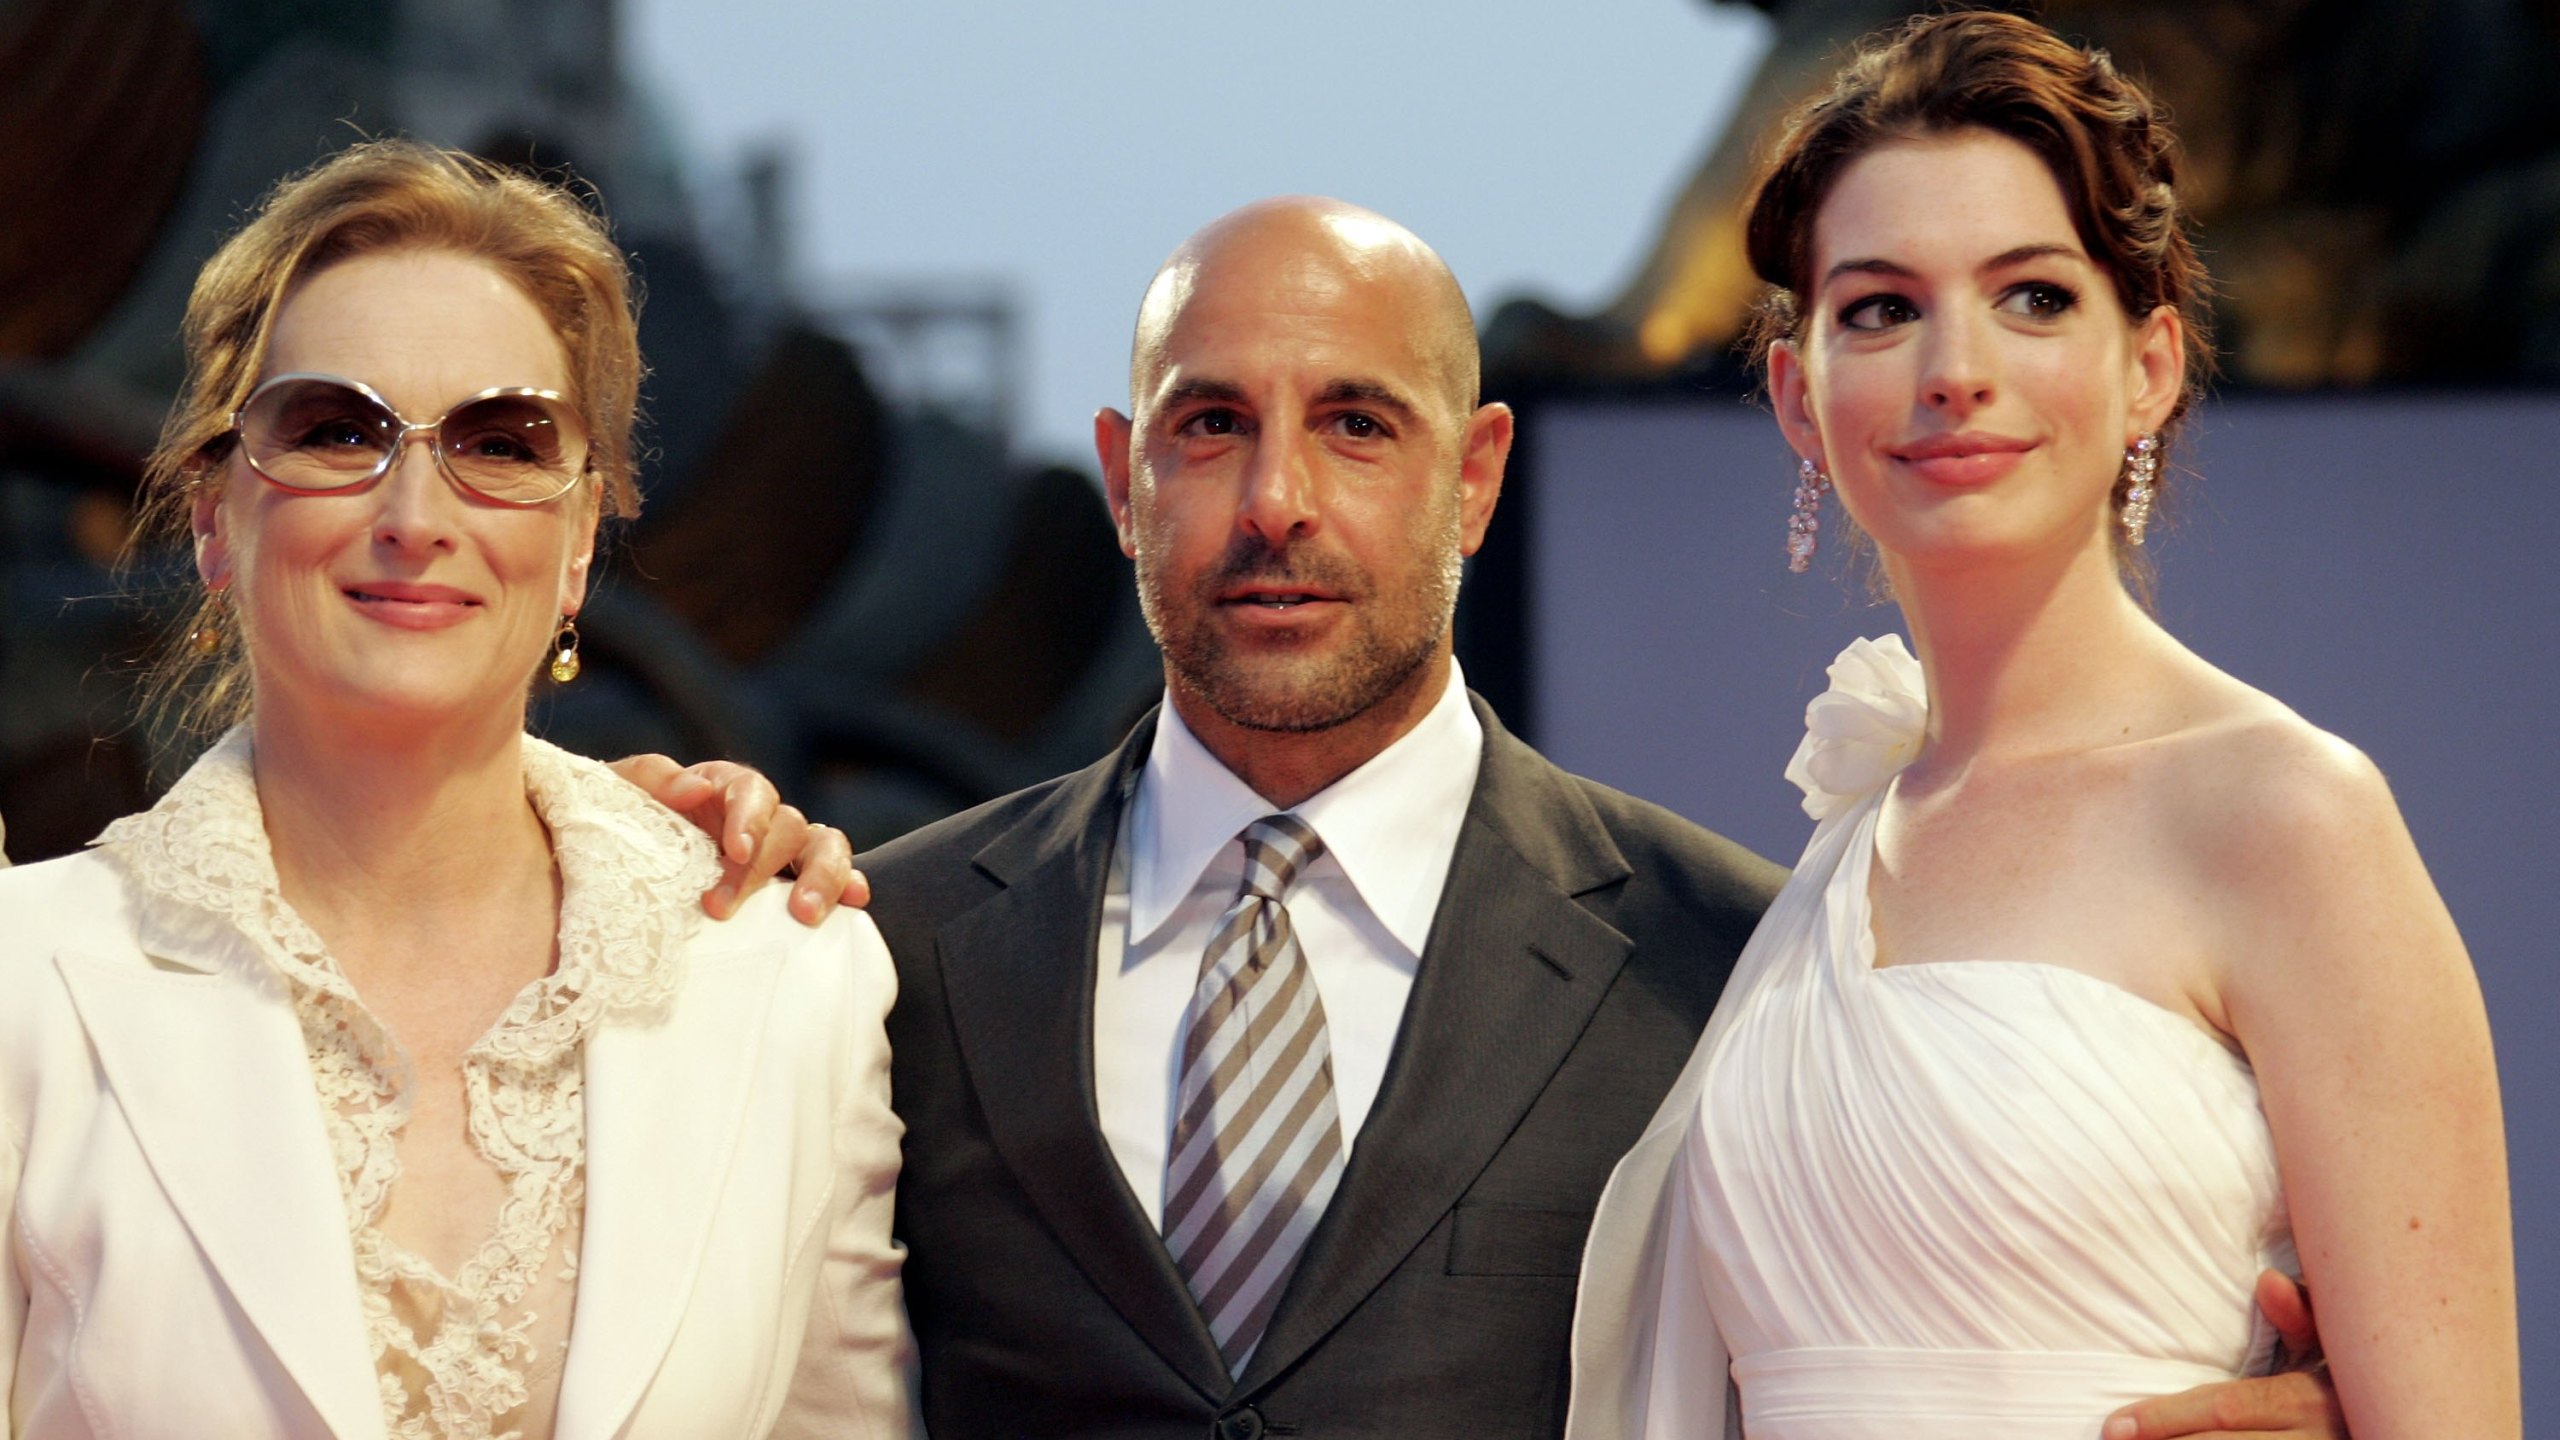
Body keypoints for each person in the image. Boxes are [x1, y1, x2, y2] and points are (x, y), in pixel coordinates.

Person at [858, 195, 2342, 1439]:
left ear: (1476, 478)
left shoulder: (1732, 963)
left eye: (1358, 424)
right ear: (1124, 482)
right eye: (1211, 426)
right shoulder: (886, 946)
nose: (1277, 500)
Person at [1567, 13, 2517, 1440]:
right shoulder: (1841, 850)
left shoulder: (2287, 814)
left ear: (2151, 367)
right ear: (1797, 397)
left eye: (2032, 297)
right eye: (1880, 310)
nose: (1955, 367)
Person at [0, 141, 910, 1438]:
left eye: (501, 441)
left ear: (581, 537)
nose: (416, 514)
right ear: (212, 515)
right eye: (336, 431)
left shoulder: (794, 980)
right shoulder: (24, 989)